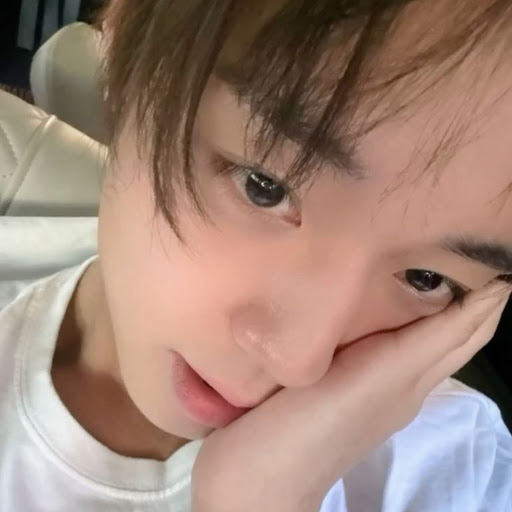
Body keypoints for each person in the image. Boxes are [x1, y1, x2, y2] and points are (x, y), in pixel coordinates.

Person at [1, 0, 512, 510]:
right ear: (123, 33)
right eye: (264, 187)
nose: (298, 362)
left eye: (426, 279)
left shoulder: (457, 465)